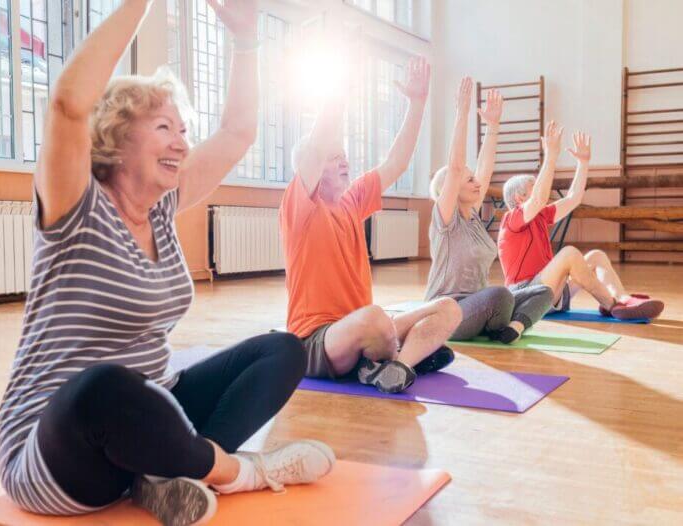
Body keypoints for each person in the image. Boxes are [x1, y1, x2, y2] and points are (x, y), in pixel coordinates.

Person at [0, 2, 334, 525]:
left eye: (182, 129)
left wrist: (246, 41)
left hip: (151, 414)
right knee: (103, 386)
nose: (181, 142)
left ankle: (171, 474)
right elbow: (66, 103)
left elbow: (238, 132)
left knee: (283, 351)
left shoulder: (163, 207)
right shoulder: (75, 206)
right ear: (117, 134)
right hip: (55, 447)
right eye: (163, 127)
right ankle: (236, 472)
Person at [280, 56, 462, 395]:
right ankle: (400, 357)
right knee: (376, 319)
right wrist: (339, 92)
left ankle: (399, 367)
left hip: (365, 330)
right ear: (313, 167)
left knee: (449, 308)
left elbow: (397, 161)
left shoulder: (352, 200)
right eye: (334, 157)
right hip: (316, 341)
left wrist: (418, 102)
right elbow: (317, 144)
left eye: (344, 154)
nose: (344, 160)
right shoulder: (300, 206)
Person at [425, 77, 554, 344]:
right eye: (467, 180)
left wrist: (493, 126)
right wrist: (462, 113)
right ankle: (500, 321)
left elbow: (485, 166)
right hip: (448, 312)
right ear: (450, 189)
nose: (477, 182)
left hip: (479, 307)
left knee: (543, 292)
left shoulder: (472, 215)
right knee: (501, 295)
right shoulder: (445, 219)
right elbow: (456, 166)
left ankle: (512, 328)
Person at [498, 121, 664, 320]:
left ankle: (622, 298)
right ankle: (611, 304)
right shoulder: (511, 219)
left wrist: (583, 163)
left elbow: (574, 198)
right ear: (519, 199)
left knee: (596, 256)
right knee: (568, 253)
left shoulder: (540, 215)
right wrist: (551, 156)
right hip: (525, 296)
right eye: (535, 187)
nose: (545, 189)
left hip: (549, 292)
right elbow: (538, 199)